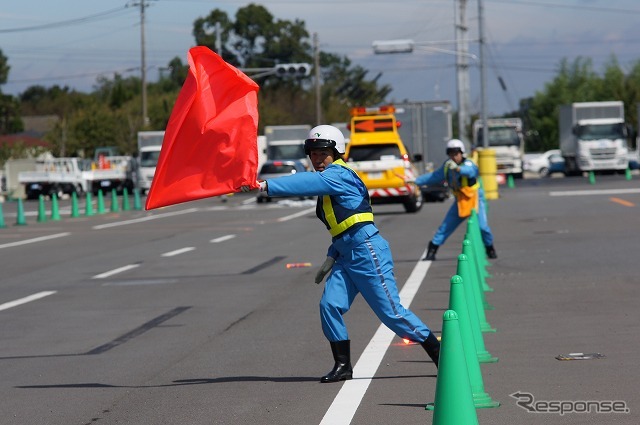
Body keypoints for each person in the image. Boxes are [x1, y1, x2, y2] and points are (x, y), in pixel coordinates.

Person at [241, 125, 440, 383]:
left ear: (336, 152)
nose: (317, 158)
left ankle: (441, 354)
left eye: (323, 152)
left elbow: (307, 184)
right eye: (312, 153)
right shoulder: (329, 181)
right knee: (329, 306)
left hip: (367, 253)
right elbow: (345, 224)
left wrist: (264, 185)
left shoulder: (339, 175)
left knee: (392, 314)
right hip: (346, 255)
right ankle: (343, 365)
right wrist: (331, 257)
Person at [414, 138, 497, 261]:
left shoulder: (468, 163)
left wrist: (458, 169)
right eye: (451, 153)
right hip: (461, 200)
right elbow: (434, 176)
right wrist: (415, 181)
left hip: (475, 199)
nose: (454, 156)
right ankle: (432, 250)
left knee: (482, 227)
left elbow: (470, 171)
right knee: (446, 226)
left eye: (456, 153)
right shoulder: (447, 166)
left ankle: (490, 248)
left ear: (461, 153)